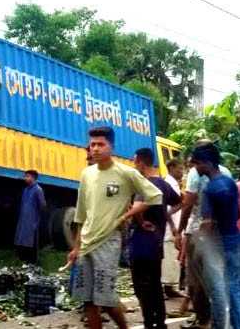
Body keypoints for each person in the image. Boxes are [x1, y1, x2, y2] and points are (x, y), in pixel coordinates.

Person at [68, 126, 162, 329]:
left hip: (109, 242)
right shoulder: (87, 175)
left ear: (112, 146)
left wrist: (128, 215)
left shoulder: (125, 173)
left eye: (100, 144)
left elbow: (155, 196)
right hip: (86, 243)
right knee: (88, 300)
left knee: (106, 299)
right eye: (92, 144)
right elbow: (81, 214)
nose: (95, 149)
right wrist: (76, 247)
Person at [176, 141, 233, 329]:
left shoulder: (195, 172)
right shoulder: (226, 173)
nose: (193, 163)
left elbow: (189, 203)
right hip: (221, 233)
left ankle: (204, 321)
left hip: (198, 232)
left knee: (195, 282)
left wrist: (181, 230)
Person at [130, 148, 181, 329]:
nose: (134, 166)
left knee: (141, 286)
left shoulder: (144, 185)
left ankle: (148, 322)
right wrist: (165, 215)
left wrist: (140, 219)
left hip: (141, 242)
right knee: (155, 284)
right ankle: (160, 322)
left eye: (135, 163)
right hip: (157, 241)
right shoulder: (164, 185)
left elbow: (137, 207)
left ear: (141, 164)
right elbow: (179, 202)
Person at [192, 144, 240, 329]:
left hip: (217, 243)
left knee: (217, 290)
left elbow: (207, 222)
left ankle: (219, 326)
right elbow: (237, 212)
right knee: (234, 287)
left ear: (207, 163)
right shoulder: (230, 183)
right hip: (234, 238)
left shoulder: (209, 189)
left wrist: (198, 239)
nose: (196, 168)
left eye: (197, 163)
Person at [163, 158, 186, 297]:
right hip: (170, 228)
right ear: (171, 168)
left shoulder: (176, 185)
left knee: (174, 258)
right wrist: (172, 226)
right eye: (179, 169)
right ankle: (166, 287)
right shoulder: (167, 184)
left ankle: (171, 287)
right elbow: (166, 209)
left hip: (176, 227)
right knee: (168, 258)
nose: (182, 172)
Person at [14, 170, 46, 264]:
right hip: (24, 218)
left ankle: (33, 262)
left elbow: (42, 206)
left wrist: (39, 219)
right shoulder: (26, 190)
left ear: (33, 178)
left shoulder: (38, 190)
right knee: (22, 239)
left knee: (32, 241)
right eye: (25, 176)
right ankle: (23, 260)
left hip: (33, 219)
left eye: (27, 176)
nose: (25, 178)